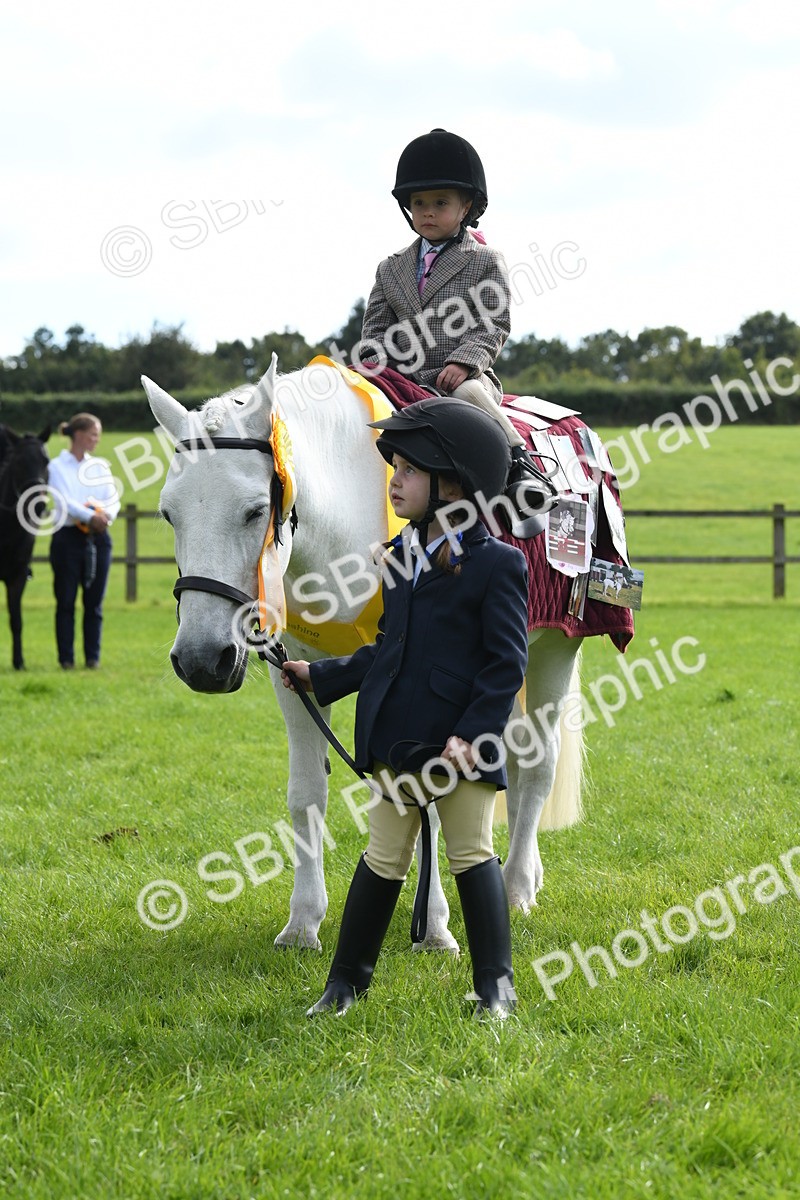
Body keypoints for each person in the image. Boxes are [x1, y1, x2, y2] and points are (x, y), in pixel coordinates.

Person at [282, 399, 529, 1019]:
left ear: (451, 483)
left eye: (408, 470)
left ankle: (495, 991)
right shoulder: (397, 556)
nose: (393, 480)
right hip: (399, 736)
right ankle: (344, 986)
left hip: (461, 745)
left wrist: (473, 736)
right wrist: (321, 675)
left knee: (471, 855)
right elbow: (388, 650)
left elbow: (506, 666)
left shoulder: (499, 565)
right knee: (382, 858)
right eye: (393, 467)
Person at [360, 127, 557, 537]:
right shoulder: (389, 268)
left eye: (440, 203)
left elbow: (493, 323)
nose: (427, 212)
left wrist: (465, 362)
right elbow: (376, 328)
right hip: (404, 379)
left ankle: (522, 469)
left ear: (466, 206)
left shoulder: (484, 261)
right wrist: (374, 362)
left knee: (468, 396)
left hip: (460, 381)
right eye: (419, 204)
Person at [48, 413, 120, 669]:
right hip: (67, 539)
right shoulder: (56, 467)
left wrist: (105, 516)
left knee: (94, 603)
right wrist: (91, 516)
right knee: (65, 602)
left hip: (98, 539)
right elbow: (63, 501)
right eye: (93, 434)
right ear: (78, 434)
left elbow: (113, 498)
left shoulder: (100, 466)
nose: (96, 440)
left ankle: (92, 658)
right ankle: (66, 659)